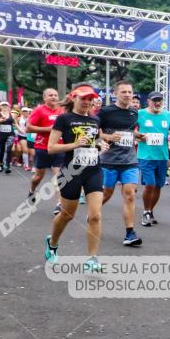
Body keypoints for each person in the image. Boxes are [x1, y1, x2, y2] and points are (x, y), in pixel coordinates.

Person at [43, 86, 107, 271]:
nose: (87, 102)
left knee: (95, 215)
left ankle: (92, 259)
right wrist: (74, 144)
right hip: (71, 172)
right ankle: (52, 244)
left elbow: (93, 143)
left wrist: (100, 145)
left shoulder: (95, 119)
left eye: (90, 99)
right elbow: (51, 148)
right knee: (67, 215)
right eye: (83, 98)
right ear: (74, 98)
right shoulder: (64, 119)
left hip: (93, 170)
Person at [99, 81, 142, 246]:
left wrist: (139, 136)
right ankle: (94, 212)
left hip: (129, 160)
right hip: (108, 160)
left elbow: (130, 132)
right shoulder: (106, 111)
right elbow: (94, 130)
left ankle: (130, 233)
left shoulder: (134, 113)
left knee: (130, 194)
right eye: (123, 92)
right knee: (106, 194)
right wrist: (108, 137)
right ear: (115, 94)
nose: (127, 94)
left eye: (130, 92)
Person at [137, 92, 170, 226]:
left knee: (158, 186)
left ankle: (150, 211)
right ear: (148, 101)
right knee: (150, 184)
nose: (157, 103)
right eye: (154, 100)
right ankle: (145, 211)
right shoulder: (140, 114)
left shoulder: (168, 115)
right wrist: (139, 136)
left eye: (159, 100)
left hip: (162, 156)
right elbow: (131, 131)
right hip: (146, 156)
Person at [27, 89, 65, 210]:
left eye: (55, 95)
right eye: (51, 95)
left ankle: (59, 204)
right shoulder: (39, 110)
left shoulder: (62, 111)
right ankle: (32, 190)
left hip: (59, 147)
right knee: (38, 177)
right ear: (45, 98)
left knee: (58, 176)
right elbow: (28, 128)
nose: (54, 97)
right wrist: (48, 130)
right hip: (42, 147)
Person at [0, 102, 16, 174]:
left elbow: (15, 124)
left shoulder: (12, 114)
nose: (4, 106)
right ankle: (0, 164)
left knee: (9, 150)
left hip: (10, 134)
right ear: (0, 106)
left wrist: (20, 129)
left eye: (6, 105)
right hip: (1, 135)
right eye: (3, 105)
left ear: (8, 106)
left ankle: (8, 166)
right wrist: (0, 120)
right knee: (2, 150)